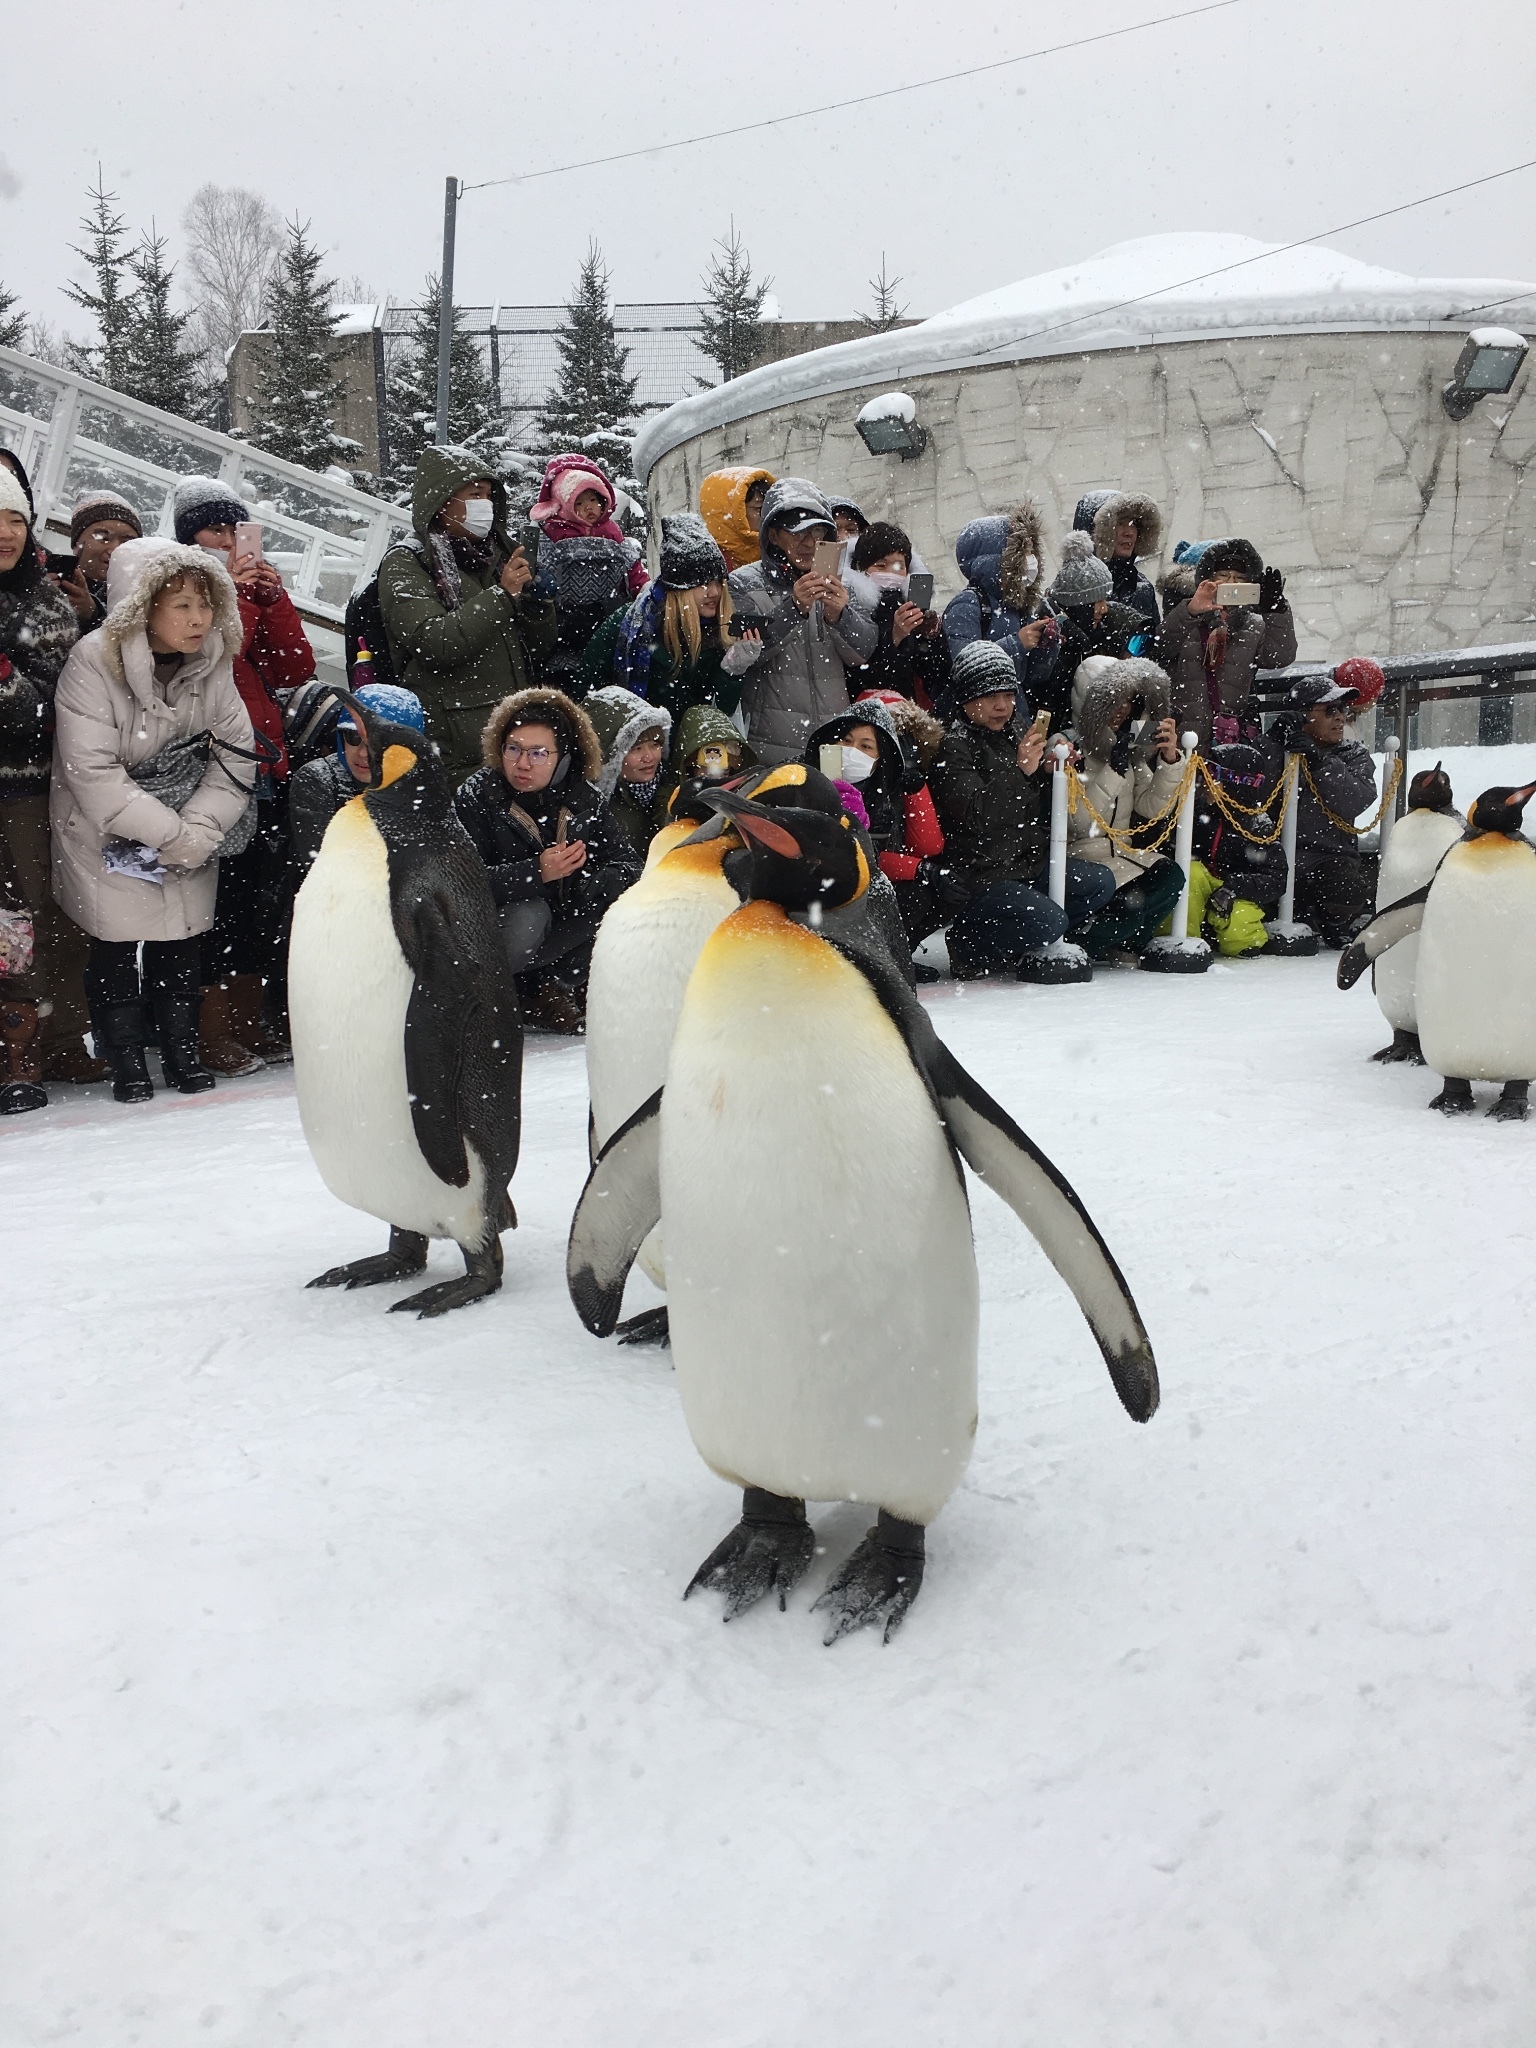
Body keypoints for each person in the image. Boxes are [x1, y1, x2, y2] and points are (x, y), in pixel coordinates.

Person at [50, 538, 254, 1103]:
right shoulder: (93, 660)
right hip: (104, 827)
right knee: (115, 940)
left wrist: (201, 829)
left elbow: (235, 753)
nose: (198, 619)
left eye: (206, 604)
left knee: (182, 936)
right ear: (142, 608)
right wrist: (173, 833)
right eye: (181, 606)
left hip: (190, 822)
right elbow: (91, 771)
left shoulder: (214, 661)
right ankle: (124, 1054)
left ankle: (182, 1045)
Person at [169, 478, 315, 1073]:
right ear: (188, 538)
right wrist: (237, 599)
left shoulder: (249, 591)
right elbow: (212, 658)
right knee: (216, 897)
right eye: (215, 529)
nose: (229, 541)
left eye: (236, 529)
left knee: (258, 891)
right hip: (207, 758)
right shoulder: (181, 593)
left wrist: (275, 599)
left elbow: (293, 667)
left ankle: (246, 1021)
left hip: (259, 756)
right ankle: (207, 1029)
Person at [452, 686, 641, 1034]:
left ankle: (554, 989)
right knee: (529, 915)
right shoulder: (477, 795)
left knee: (616, 906)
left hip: (559, 930)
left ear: (563, 757)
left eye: (538, 753)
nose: (522, 764)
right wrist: (536, 873)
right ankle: (482, 999)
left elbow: (630, 866)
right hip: (493, 935)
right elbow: (459, 883)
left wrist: (598, 883)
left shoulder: (586, 800)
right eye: (513, 749)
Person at [928, 640, 1115, 978]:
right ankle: (969, 945)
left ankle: (1026, 943)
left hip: (1028, 861)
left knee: (1098, 882)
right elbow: (977, 813)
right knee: (1051, 919)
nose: (1002, 706)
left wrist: (1048, 771)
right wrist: (1021, 771)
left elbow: (1028, 800)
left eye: (1009, 695)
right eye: (990, 697)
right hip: (982, 873)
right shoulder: (951, 747)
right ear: (967, 698)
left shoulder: (1013, 730)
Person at [378, 446, 557, 782]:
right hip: (456, 749)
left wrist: (537, 605)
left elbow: (539, 648)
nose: (485, 505)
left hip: (512, 741)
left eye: (489, 495)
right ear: (442, 502)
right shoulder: (407, 563)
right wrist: (503, 596)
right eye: (474, 495)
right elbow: (433, 642)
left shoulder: (498, 554)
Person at [0, 467, 87, 1111]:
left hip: (26, 789)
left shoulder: (46, 601)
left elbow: (44, 710)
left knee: (39, 912)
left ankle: (53, 1036)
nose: (5, 534)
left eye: (16, 520)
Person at [728, 478, 877, 765]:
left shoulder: (842, 582)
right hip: (768, 741)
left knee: (834, 805)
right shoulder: (743, 583)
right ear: (772, 536)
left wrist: (839, 616)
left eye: (817, 531)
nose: (809, 543)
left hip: (833, 737)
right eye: (796, 533)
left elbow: (863, 653)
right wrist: (793, 608)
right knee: (775, 805)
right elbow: (746, 653)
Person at [579, 513, 762, 721]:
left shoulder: (722, 627)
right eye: (703, 584)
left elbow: (719, 713)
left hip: (695, 749)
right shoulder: (629, 624)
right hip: (637, 748)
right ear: (677, 590)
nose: (714, 592)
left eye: (719, 581)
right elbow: (586, 693)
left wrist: (732, 671)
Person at [1066, 657, 1187, 962]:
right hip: (1079, 858)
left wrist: (1169, 760)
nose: (1121, 709)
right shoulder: (1067, 746)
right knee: (1128, 891)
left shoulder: (1129, 746)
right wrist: (1113, 769)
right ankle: (1087, 941)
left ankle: (1119, 940)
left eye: (1128, 701)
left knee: (1170, 875)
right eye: (1112, 700)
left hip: (1122, 856)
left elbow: (1151, 808)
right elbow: (1077, 822)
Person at [1261, 673, 1378, 946]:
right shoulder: (1279, 750)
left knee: (1347, 892)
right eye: (1330, 710)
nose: (1340, 718)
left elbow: (1356, 799)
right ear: (1301, 716)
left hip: (1330, 859)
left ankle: (1333, 921)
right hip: (1275, 858)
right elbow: (1254, 793)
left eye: (1342, 709)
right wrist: (1273, 742)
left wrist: (1318, 761)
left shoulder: (1353, 754)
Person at [1160, 537, 1297, 754]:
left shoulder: (1254, 624)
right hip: (1182, 736)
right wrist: (1192, 611)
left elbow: (1279, 657)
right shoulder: (1186, 615)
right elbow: (1161, 648)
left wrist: (1276, 611)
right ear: (1206, 579)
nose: (1231, 581)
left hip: (1226, 738)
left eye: (1239, 578)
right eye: (1223, 576)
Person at [527, 453, 649, 693]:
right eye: (579, 503)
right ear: (561, 506)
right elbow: (538, 568)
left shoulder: (611, 532)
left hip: (605, 616)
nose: (588, 508)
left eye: (593, 499)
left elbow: (631, 567)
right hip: (564, 622)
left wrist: (642, 587)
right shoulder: (553, 531)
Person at [941, 501, 1062, 717]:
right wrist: (1018, 643)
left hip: (1013, 715)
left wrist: (1045, 646)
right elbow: (966, 668)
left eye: (1033, 552)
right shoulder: (967, 604)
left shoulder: (1017, 605)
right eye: (1023, 552)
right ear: (1000, 560)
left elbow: (1031, 676)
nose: (1031, 560)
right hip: (980, 722)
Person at [288, 682, 426, 867]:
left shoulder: (423, 785)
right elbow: (328, 869)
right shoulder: (318, 780)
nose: (363, 753)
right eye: (353, 737)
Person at [844, 522, 952, 708]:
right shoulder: (853, 606)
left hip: (910, 713)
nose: (891, 573)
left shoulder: (910, 603)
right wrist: (894, 638)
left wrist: (932, 636)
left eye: (898, 566)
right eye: (880, 565)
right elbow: (863, 673)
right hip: (868, 710)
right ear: (861, 568)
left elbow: (937, 674)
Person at [1047, 533, 1158, 701]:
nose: (1104, 609)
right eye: (1097, 602)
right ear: (1077, 605)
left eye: (1105, 600)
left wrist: (1150, 726)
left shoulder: (1102, 630)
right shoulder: (1052, 646)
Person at [585, 686, 674, 853]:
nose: (649, 757)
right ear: (611, 757)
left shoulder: (675, 788)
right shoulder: (601, 815)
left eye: (655, 745)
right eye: (636, 748)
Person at [51, 490, 144, 632]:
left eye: (126, 542)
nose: (114, 549)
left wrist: (93, 614)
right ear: (76, 544)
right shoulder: (45, 577)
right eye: (102, 537)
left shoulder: (143, 597)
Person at [1081, 489, 1163, 626]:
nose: (1129, 532)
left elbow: (1157, 643)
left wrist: (1189, 611)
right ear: (1096, 530)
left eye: (1134, 524)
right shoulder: (1074, 587)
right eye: (1120, 523)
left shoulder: (1142, 587)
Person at [698, 465, 775, 571]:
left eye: (769, 508)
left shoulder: (785, 553)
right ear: (734, 514)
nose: (767, 515)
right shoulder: (707, 567)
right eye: (759, 508)